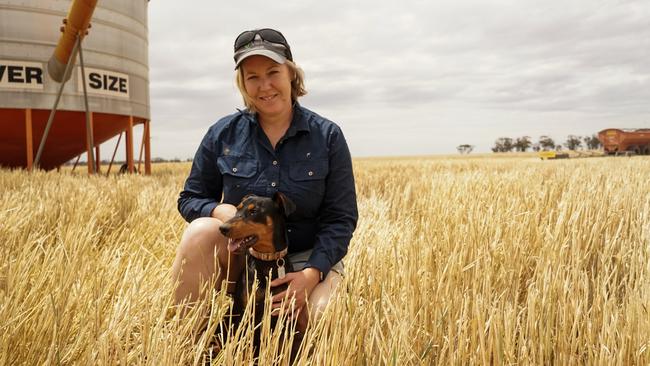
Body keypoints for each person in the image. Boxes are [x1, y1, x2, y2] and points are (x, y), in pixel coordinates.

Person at [171, 28, 358, 333]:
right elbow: (189, 198)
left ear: (291, 75)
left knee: (324, 315)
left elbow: (341, 219)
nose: (265, 86)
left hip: (306, 258)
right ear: (243, 84)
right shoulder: (223, 134)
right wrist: (219, 211)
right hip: (242, 259)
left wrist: (311, 274)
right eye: (252, 77)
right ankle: (187, 345)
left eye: (273, 72)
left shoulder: (328, 136)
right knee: (199, 232)